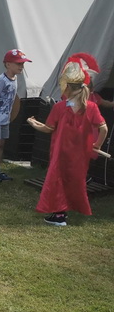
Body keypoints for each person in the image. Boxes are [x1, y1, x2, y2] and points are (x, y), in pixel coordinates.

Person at [27, 55, 108, 227]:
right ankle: (65, 211)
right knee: (74, 181)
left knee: (58, 181)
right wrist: (97, 145)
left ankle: (59, 215)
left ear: (67, 87)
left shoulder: (60, 107)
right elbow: (104, 128)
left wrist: (33, 124)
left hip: (61, 153)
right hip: (80, 155)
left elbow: (48, 129)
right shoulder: (91, 107)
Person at [0, 49, 31, 183]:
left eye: (22, 64)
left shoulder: (15, 79)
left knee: (1, 144)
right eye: (18, 64)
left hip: (4, 119)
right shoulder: (2, 80)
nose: (21, 67)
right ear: (8, 64)